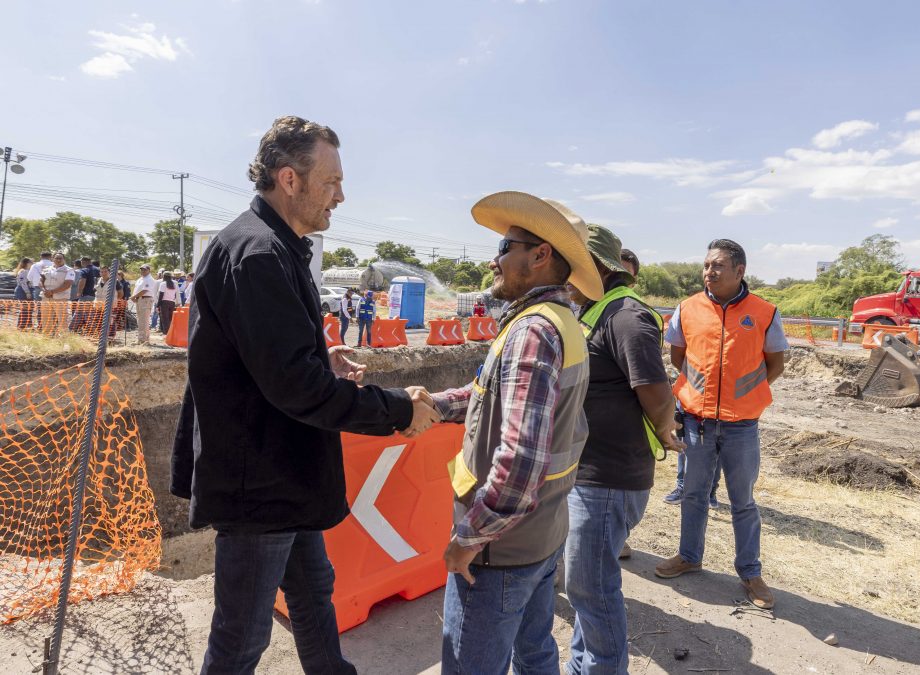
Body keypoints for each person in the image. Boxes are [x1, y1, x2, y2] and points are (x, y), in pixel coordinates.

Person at [171, 115, 439, 675]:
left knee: (315, 593)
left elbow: (270, 361)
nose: (341, 195)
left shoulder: (276, 247)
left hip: (286, 474)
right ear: (289, 179)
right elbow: (296, 387)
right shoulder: (258, 254)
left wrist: (323, 357)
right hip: (262, 482)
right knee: (242, 640)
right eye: (331, 181)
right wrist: (397, 409)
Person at [425, 191, 602, 674]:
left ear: (540, 255)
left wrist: (470, 537)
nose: (494, 259)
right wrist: (435, 404)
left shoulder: (531, 332)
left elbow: (521, 460)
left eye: (506, 247)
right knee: (535, 651)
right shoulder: (559, 322)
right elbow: (492, 395)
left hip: (499, 549)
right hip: (541, 534)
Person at [564, 224, 683, 674]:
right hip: (591, 472)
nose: (565, 276)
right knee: (586, 586)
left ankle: (603, 667)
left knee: (590, 585)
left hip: (610, 476)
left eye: (572, 266)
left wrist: (664, 429)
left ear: (595, 268)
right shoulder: (596, 311)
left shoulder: (626, 316)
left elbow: (654, 389)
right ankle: (585, 665)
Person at [654, 239, 788, 612]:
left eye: (717, 266)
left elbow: (774, 364)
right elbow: (679, 356)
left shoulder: (764, 312)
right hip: (696, 421)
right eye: (706, 265)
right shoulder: (688, 308)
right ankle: (688, 556)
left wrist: (744, 395)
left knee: (742, 502)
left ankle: (750, 572)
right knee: (693, 494)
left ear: (739, 271)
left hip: (741, 425)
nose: (708, 272)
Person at [41, 253, 75, 336]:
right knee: (46, 318)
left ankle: (63, 337)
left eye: (60, 258)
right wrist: (45, 291)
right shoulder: (46, 269)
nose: (58, 260)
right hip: (46, 296)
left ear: (64, 259)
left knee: (62, 319)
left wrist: (52, 292)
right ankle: (47, 336)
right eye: (56, 258)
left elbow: (67, 284)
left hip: (61, 297)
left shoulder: (69, 270)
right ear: (53, 259)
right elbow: (40, 281)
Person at [131, 264, 156, 345]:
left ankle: (143, 340)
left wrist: (134, 296)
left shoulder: (149, 279)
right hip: (140, 299)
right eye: (142, 269)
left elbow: (145, 290)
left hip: (146, 299)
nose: (143, 271)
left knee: (144, 320)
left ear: (149, 270)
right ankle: (142, 339)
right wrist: (135, 297)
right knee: (140, 320)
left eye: (145, 269)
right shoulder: (141, 279)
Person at [14, 257, 33, 329]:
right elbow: (23, 283)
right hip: (23, 290)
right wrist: (27, 292)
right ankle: (21, 326)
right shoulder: (23, 271)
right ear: (27, 263)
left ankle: (28, 324)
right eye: (31, 262)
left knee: (30, 308)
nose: (32, 264)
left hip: (27, 290)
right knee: (25, 308)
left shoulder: (29, 271)